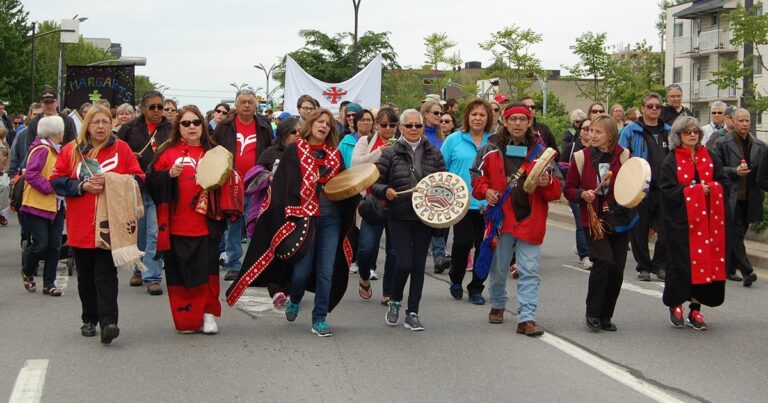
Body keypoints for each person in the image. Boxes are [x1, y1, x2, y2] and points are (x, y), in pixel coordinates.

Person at [225, 108, 358, 337]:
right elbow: (283, 186)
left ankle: (319, 318)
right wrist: (292, 211)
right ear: (310, 124)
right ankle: (295, 298)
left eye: (328, 123)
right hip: (303, 219)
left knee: (326, 270)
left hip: (331, 220)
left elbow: (345, 186)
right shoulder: (295, 150)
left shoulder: (334, 155)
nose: (324, 126)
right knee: (301, 272)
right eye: (320, 121)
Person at [50, 105, 144, 344]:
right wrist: (81, 187)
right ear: (87, 126)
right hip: (81, 222)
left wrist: (112, 181)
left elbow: (138, 178)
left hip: (109, 223)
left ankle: (109, 322)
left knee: (106, 274)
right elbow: (56, 180)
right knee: (86, 275)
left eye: (105, 122)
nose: (100, 126)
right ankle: (89, 318)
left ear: (111, 124)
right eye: (95, 122)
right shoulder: (71, 151)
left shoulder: (121, 149)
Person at [472, 104, 561, 336]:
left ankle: (527, 316)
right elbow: (477, 177)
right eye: (513, 119)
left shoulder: (543, 151)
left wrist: (547, 183)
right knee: (499, 268)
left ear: (530, 122)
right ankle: (499, 303)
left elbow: (555, 191)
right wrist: (486, 191)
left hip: (530, 218)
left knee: (529, 270)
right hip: (501, 218)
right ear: (505, 121)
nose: (518, 123)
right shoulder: (490, 148)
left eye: (523, 119)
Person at [147, 105, 226, 334]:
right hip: (177, 225)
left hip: (207, 224)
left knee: (208, 271)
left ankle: (208, 313)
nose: (192, 127)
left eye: (196, 122)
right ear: (178, 127)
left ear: (203, 124)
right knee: (181, 274)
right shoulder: (167, 152)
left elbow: (230, 181)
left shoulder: (215, 152)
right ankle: (187, 318)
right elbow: (150, 180)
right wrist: (168, 176)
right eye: (186, 123)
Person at [373, 108, 446, 331]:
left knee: (418, 265)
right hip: (399, 215)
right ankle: (395, 301)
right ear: (401, 128)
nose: (414, 129)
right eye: (409, 125)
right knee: (404, 262)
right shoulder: (389, 153)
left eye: (418, 125)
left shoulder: (435, 153)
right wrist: (386, 191)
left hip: (425, 217)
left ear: (424, 127)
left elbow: (444, 184)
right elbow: (374, 183)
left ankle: (412, 312)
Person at [565, 114, 634, 331]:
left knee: (617, 269)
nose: (592, 135)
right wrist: (581, 194)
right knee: (605, 261)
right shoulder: (581, 157)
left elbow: (633, 184)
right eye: (590, 131)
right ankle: (593, 312)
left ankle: (606, 315)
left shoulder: (624, 156)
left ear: (611, 136)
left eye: (598, 132)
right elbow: (568, 189)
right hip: (592, 219)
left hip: (618, 217)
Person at [660, 116, 727, 331]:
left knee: (706, 264)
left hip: (707, 222)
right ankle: (675, 304)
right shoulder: (671, 160)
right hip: (681, 223)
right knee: (681, 266)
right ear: (678, 136)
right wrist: (696, 191)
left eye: (695, 132)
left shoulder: (710, 156)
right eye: (687, 132)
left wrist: (712, 188)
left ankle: (696, 309)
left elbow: (723, 181)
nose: (692, 135)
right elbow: (667, 191)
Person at [213, 89, 274, 281]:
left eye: (250, 101)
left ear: (256, 105)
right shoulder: (224, 126)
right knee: (233, 224)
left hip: (257, 184)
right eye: (242, 102)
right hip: (231, 184)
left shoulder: (264, 126)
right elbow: (214, 150)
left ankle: (255, 263)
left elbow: (272, 150)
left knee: (257, 224)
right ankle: (233, 264)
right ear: (236, 105)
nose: (246, 105)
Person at [117, 90, 173, 295]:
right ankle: (138, 268)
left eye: (161, 107)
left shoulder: (170, 129)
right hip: (136, 187)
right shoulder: (129, 128)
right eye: (153, 107)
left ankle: (152, 276)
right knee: (138, 234)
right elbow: (117, 151)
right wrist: (127, 156)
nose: (158, 110)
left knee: (154, 232)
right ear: (142, 109)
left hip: (160, 188)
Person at [441, 99, 492, 304]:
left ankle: (476, 288)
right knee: (462, 243)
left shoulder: (495, 141)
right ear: (467, 117)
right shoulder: (454, 140)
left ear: (488, 118)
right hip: (461, 204)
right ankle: (456, 279)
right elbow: (440, 168)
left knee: (484, 247)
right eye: (474, 114)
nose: (478, 118)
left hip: (488, 205)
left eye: (482, 114)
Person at [619, 92, 670, 282]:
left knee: (665, 231)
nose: (654, 109)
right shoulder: (631, 130)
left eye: (658, 106)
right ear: (642, 108)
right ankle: (644, 267)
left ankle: (660, 265)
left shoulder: (669, 131)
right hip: (640, 188)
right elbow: (621, 157)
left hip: (663, 189)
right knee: (639, 231)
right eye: (650, 106)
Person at [352, 107, 399, 304]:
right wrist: (379, 151)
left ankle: (389, 292)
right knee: (366, 249)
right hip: (372, 203)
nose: (388, 129)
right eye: (383, 125)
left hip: (396, 203)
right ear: (376, 125)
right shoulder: (366, 141)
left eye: (392, 125)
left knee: (394, 252)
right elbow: (355, 164)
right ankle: (364, 276)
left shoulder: (402, 142)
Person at [713, 108, 764, 287]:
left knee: (738, 234)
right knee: (734, 234)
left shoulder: (759, 145)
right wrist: (734, 171)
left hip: (750, 198)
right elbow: (715, 170)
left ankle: (728, 267)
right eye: (740, 121)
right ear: (733, 122)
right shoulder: (722, 143)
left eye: (747, 121)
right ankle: (747, 270)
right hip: (730, 197)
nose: (744, 124)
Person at [19, 116, 66, 295]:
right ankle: (27, 270)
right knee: (41, 244)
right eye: (61, 130)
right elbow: (31, 174)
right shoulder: (42, 150)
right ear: (54, 132)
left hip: (56, 205)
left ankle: (49, 283)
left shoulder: (56, 150)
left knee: (55, 246)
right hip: (37, 204)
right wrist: (50, 189)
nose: (64, 133)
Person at [560, 118, 592, 270]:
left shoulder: (600, 149)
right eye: (586, 128)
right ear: (580, 132)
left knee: (592, 223)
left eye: (593, 128)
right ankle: (585, 255)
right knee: (581, 222)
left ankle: (584, 248)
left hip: (594, 192)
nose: (589, 132)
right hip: (576, 191)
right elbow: (560, 166)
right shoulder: (572, 148)